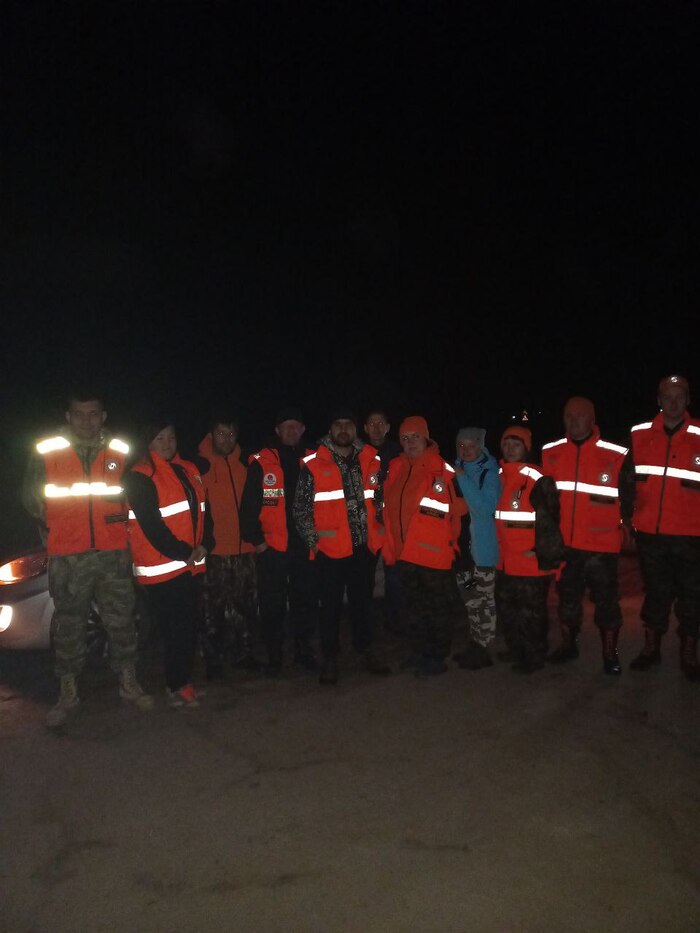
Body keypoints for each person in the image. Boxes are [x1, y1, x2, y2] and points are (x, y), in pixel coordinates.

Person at [22, 388, 152, 728]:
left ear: (103, 416)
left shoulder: (120, 450)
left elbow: (135, 494)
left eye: (93, 413)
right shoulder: (47, 450)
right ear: (68, 417)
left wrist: (121, 528)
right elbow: (30, 497)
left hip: (113, 554)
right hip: (69, 555)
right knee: (69, 626)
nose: (86, 421)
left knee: (122, 621)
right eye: (79, 414)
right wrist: (53, 525)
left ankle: (128, 683)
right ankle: (68, 693)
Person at [294, 408, 391, 685]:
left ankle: (365, 650)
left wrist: (377, 537)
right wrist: (315, 544)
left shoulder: (370, 459)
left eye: (349, 424)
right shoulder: (313, 464)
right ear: (330, 429)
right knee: (330, 608)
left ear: (356, 429)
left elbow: (380, 500)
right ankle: (330, 658)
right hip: (330, 552)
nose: (344, 429)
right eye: (338, 424)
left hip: (362, 549)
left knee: (363, 604)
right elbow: (301, 509)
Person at [124, 418, 213, 709]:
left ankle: (182, 682)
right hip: (162, 568)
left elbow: (204, 510)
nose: (166, 444)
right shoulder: (140, 476)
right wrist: (185, 551)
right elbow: (152, 526)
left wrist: (206, 543)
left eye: (171, 438)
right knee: (176, 629)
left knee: (187, 626)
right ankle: (176, 686)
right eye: (159, 438)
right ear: (148, 442)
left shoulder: (187, 469)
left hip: (189, 564)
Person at [541, 397, 630, 674]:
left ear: (592, 419)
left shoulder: (616, 455)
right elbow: (544, 501)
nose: (573, 420)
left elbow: (630, 500)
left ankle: (610, 653)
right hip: (565, 545)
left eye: (580, 415)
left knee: (606, 602)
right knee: (567, 599)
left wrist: (627, 529)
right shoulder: (550, 452)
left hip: (601, 547)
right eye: (568, 415)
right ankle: (569, 645)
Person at [625, 374, 700, 681]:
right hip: (651, 535)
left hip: (692, 537)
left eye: (679, 397)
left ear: (688, 400)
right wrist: (626, 520)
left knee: (692, 596)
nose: (673, 403)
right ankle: (651, 648)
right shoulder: (639, 435)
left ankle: (689, 652)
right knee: (655, 594)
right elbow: (626, 482)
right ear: (658, 400)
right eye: (667, 397)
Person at [381, 415, 467, 677]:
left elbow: (462, 509)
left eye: (415, 437)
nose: (410, 442)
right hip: (404, 554)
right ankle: (419, 652)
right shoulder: (396, 467)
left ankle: (436, 657)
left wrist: (452, 545)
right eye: (405, 438)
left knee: (436, 609)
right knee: (414, 609)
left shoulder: (443, 470)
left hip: (433, 556)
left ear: (426, 438)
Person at [239, 407, 318, 676]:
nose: (291, 430)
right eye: (286, 426)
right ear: (277, 431)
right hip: (273, 550)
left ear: (303, 429)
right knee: (272, 606)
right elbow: (248, 507)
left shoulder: (315, 460)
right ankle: (274, 656)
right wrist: (259, 543)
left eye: (296, 426)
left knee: (304, 602)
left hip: (304, 548)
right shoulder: (263, 462)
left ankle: (303, 652)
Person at [195, 412, 261, 679]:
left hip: (244, 550)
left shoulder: (247, 464)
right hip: (214, 552)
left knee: (245, 605)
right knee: (213, 609)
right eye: (221, 433)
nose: (227, 439)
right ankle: (214, 660)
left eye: (231, 434)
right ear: (211, 435)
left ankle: (244, 654)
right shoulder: (198, 466)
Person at [494, 425, 564, 673]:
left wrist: (540, 551)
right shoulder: (499, 477)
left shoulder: (537, 478)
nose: (510, 449)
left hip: (529, 562)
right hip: (505, 561)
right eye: (506, 444)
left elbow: (551, 519)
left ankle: (534, 656)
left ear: (526, 448)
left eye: (516, 444)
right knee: (508, 610)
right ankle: (516, 650)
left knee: (531, 614)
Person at [452, 427, 502, 670]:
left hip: (482, 555)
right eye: (461, 445)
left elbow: (484, 508)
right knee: (472, 599)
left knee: (484, 601)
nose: (466, 450)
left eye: (471, 445)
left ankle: (485, 647)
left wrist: (462, 478)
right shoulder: (453, 471)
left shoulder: (489, 474)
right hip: (463, 555)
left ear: (480, 446)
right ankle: (476, 642)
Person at [362, 407, 403, 634]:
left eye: (381, 423)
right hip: (368, 527)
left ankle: (395, 622)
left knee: (394, 577)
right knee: (364, 577)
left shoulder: (400, 453)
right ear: (365, 428)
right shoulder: (357, 453)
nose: (376, 427)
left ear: (387, 428)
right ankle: (366, 623)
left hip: (392, 527)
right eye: (372, 423)